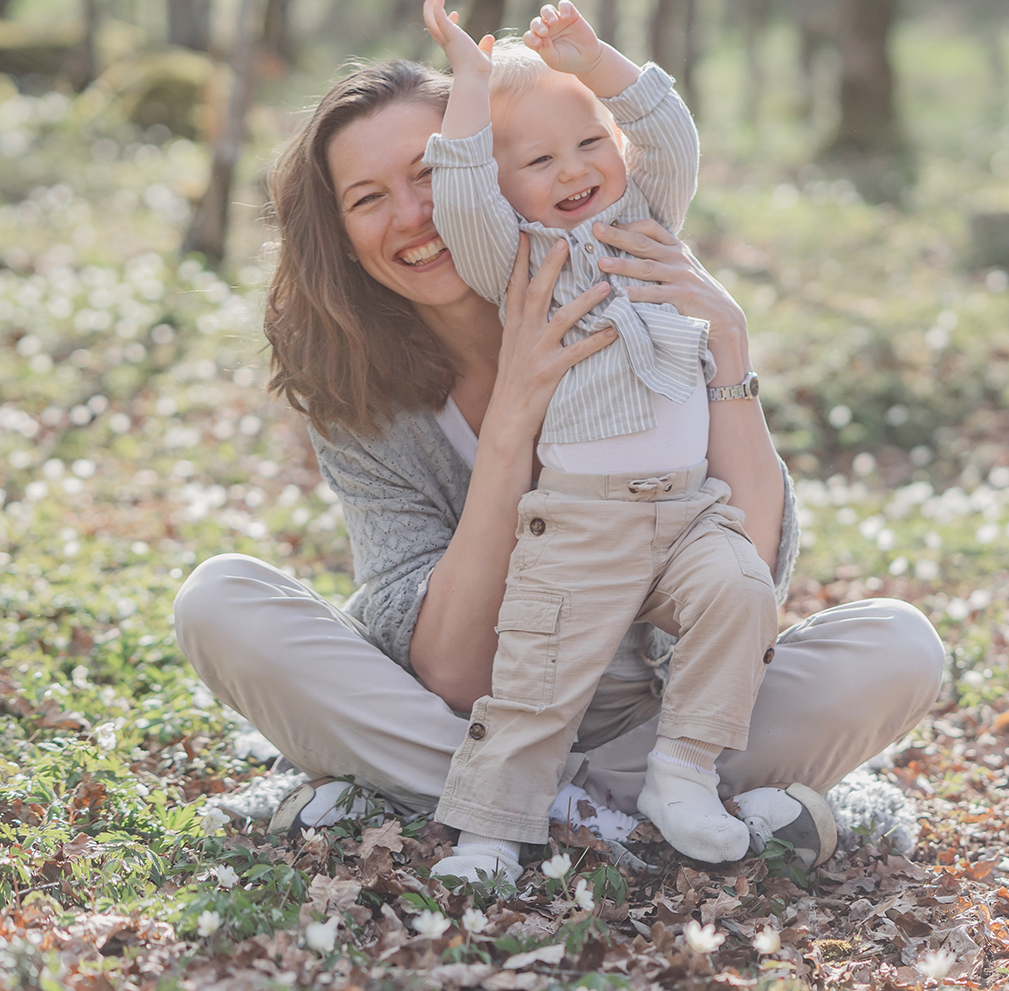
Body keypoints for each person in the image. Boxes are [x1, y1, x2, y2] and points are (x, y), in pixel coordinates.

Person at [170, 51, 944, 882]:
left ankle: (495, 807)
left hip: (650, 719)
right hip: (471, 718)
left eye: (434, 172)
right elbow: (453, 672)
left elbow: (750, 571)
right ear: (345, 241)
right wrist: (510, 428)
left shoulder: (632, 305)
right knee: (220, 600)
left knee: (899, 646)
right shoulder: (365, 400)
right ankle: (617, 817)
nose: (411, 216)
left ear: (492, 164)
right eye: (367, 200)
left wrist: (729, 357)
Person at [416, 0, 776, 880]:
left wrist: (596, 62)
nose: (574, 169)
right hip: (583, 516)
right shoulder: (512, 256)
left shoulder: (650, 215)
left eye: (588, 142)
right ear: (504, 187)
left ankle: (682, 771)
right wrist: (469, 83)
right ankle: (492, 830)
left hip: (691, 509)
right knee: (539, 678)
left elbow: (671, 134)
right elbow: (458, 191)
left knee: (740, 588)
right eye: (537, 160)